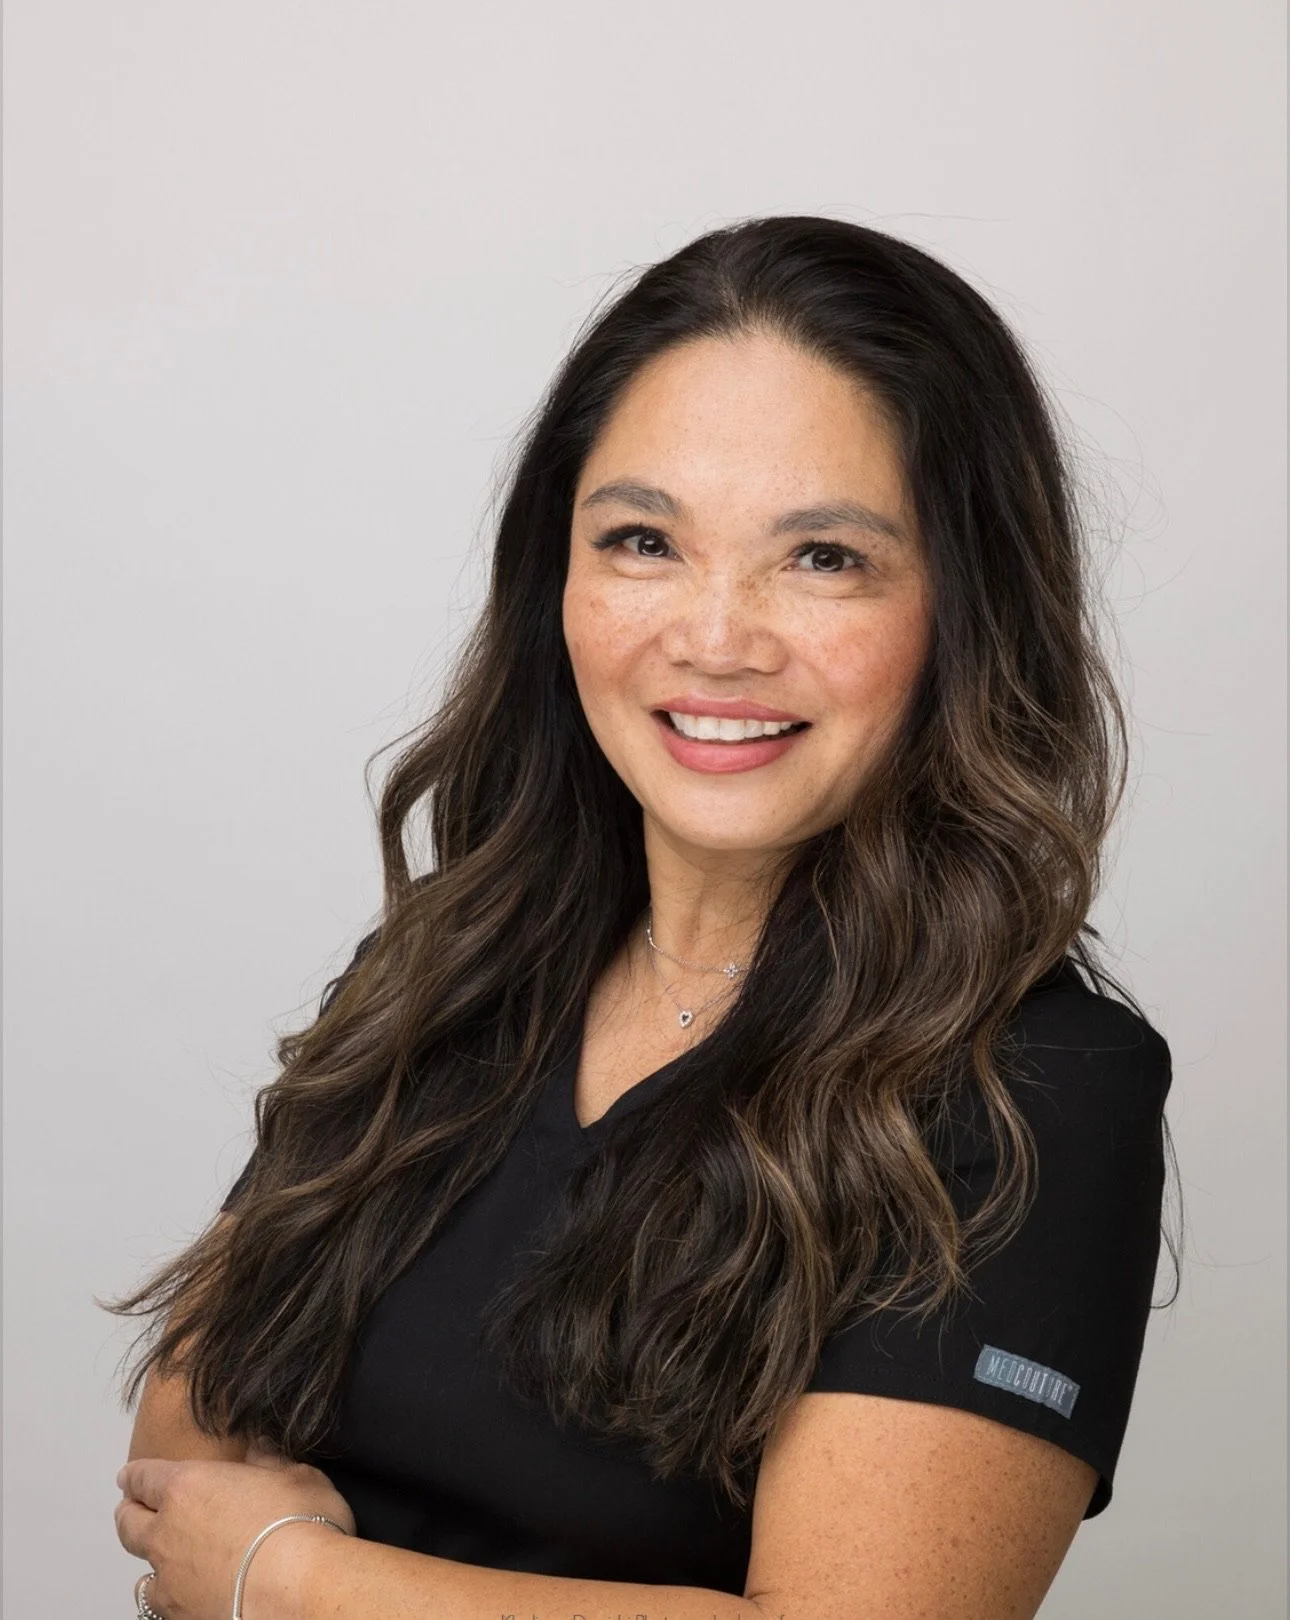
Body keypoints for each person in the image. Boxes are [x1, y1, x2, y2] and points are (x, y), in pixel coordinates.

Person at [110, 214, 1176, 1620]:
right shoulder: (444, 968)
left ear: (963, 611)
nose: (716, 635)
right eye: (642, 541)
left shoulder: (1029, 1088)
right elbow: (177, 1465)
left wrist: (296, 1575)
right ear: (555, 579)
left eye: (823, 559)